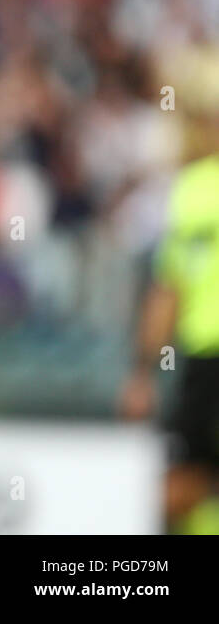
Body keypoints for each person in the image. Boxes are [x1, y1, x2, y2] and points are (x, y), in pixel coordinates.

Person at [121, 148, 219, 532]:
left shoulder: (194, 188)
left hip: (204, 360)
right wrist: (143, 373)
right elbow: (168, 287)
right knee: (182, 481)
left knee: (182, 482)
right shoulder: (193, 188)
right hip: (204, 358)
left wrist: (142, 374)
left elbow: (167, 289)